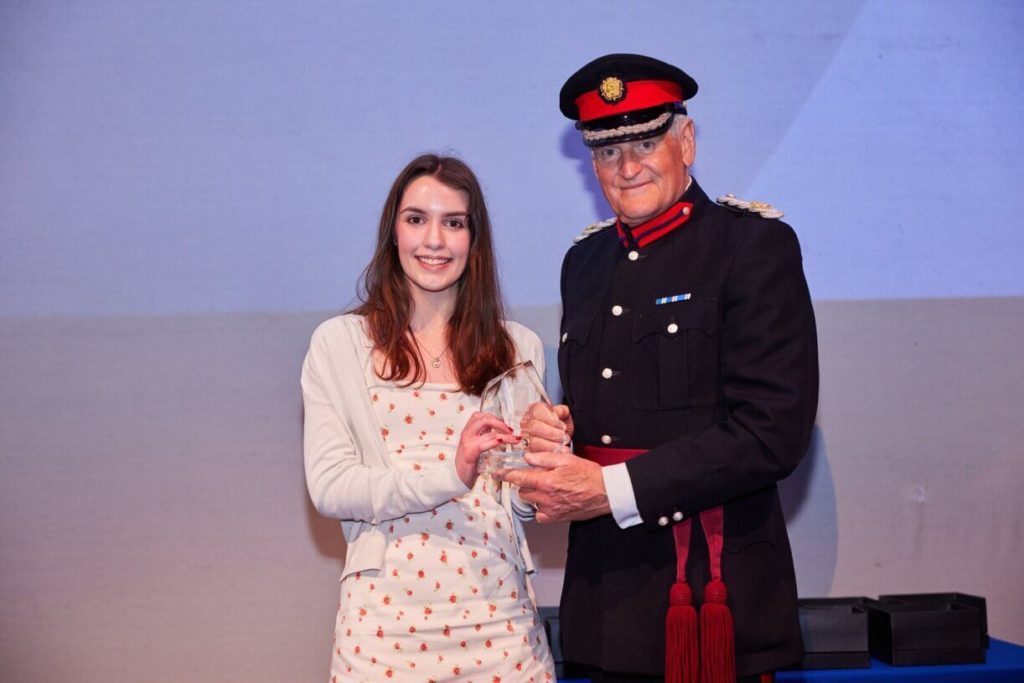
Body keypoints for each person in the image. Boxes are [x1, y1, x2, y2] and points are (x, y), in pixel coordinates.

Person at [499, 54, 819, 683]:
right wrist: (555, 435)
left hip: (705, 587)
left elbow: (772, 432)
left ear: (687, 141)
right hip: (603, 596)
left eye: (646, 142)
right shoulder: (584, 262)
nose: (628, 166)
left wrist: (610, 489)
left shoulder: (753, 247)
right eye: (607, 150)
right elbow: (607, 415)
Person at [302, 154, 556, 682]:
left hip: (502, 627)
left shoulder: (518, 347)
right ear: (393, 232)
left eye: (454, 222)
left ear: (474, 239)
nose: (434, 240)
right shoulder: (340, 343)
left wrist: (544, 462)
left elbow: (519, 505)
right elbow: (331, 487)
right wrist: (451, 473)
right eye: (416, 219)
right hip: (383, 634)